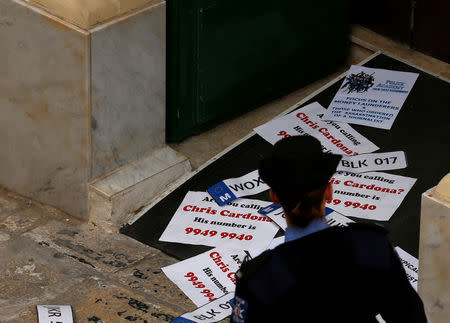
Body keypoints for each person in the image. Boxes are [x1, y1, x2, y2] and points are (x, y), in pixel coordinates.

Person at [231, 136, 427, 323]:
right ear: (329, 191)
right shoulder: (371, 246)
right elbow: (410, 315)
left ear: (274, 196)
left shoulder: (261, 279)